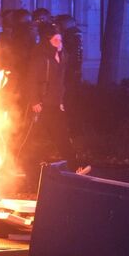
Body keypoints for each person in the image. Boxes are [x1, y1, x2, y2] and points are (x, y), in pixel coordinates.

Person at [26, 24, 90, 176]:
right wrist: (34, 100)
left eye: (60, 40)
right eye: (55, 40)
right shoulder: (41, 58)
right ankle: (30, 170)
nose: (59, 43)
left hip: (54, 104)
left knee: (62, 136)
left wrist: (60, 100)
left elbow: (60, 82)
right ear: (47, 41)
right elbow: (31, 80)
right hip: (41, 105)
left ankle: (75, 167)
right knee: (33, 139)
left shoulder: (62, 57)